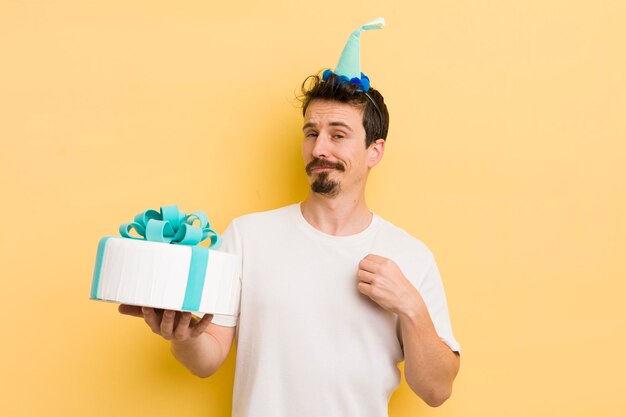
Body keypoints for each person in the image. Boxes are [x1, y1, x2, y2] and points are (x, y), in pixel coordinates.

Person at [120, 18, 460, 417]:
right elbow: (206, 358)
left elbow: (436, 390)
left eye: (338, 134)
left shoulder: (410, 255)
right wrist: (181, 336)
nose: (319, 148)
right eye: (311, 132)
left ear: (374, 151)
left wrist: (411, 307)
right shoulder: (248, 237)